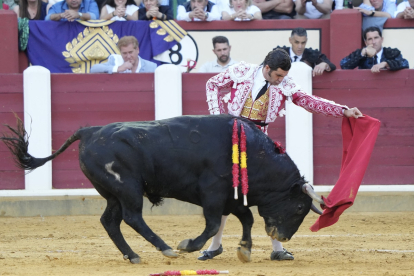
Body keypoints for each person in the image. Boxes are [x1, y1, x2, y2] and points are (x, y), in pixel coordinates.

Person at [203, 49, 363, 261]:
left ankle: (277, 248)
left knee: (271, 193)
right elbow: (211, 84)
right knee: (226, 191)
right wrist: (218, 118)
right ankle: (215, 245)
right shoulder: (242, 71)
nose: (281, 80)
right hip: (232, 139)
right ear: (267, 69)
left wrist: (343, 110)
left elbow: (308, 101)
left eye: (284, 76)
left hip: (261, 143)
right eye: (278, 75)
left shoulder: (283, 83)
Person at [340, 26, 409, 73]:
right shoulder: (361, 54)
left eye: (376, 38)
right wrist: (362, 53)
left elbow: (405, 63)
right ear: (366, 42)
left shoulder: (391, 52)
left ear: (381, 39)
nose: (373, 42)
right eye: (370, 39)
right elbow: (343, 65)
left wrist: (386, 63)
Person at [90, 36, 157, 74]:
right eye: (124, 53)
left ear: (137, 50)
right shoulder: (115, 60)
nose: (128, 56)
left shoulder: (151, 67)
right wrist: (118, 68)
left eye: (130, 52)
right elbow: (93, 69)